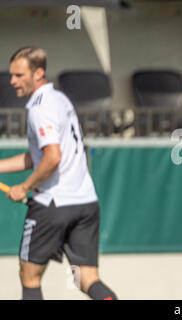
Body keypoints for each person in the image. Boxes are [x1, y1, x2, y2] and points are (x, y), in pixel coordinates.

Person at [0, 47, 117, 300]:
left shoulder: (39, 108)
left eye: (19, 75)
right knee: (87, 279)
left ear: (38, 73)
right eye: (12, 75)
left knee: (29, 276)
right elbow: (38, 157)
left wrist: (25, 186)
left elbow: (52, 157)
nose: (12, 82)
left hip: (53, 204)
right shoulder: (60, 99)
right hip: (85, 202)